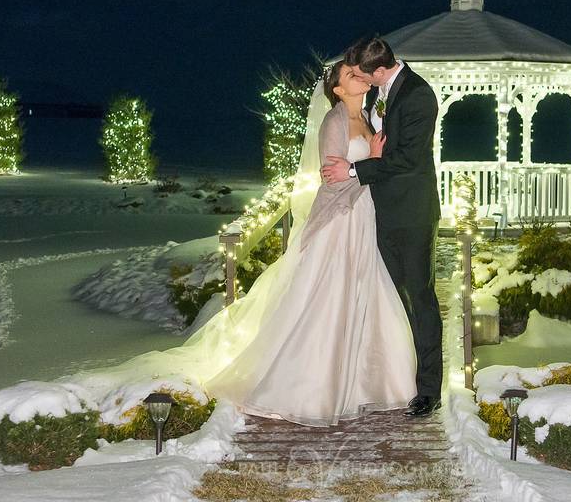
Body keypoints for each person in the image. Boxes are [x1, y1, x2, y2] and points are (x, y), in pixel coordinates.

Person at [189, 59, 418, 426]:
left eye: (360, 73)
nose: (360, 77)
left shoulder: (373, 118)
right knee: (330, 299)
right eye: (350, 75)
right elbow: (332, 179)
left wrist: (376, 164)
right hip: (341, 220)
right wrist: (372, 161)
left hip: (364, 217)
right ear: (338, 90)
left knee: (365, 293)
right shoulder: (334, 122)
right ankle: (310, 386)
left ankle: (366, 383)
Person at [321, 36, 443, 418]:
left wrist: (355, 169)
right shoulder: (375, 92)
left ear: (379, 70)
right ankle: (389, 377)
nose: (357, 79)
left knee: (419, 297)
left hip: (411, 212)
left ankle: (428, 389)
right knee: (385, 300)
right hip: (374, 213)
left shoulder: (419, 95)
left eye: (360, 74)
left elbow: (407, 157)